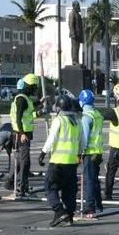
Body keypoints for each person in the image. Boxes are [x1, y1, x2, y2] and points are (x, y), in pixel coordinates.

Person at [40, 94, 81, 227]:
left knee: (50, 187)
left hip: (58, 161)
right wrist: (79, 155)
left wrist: (43, 152)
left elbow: (51, 138)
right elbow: (82, 141)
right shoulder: (77, 121)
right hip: (72, 162)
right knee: (69, 190)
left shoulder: (59, 120)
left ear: (59, 108)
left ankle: (59, 211)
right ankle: (69, 215)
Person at [4, 74, 39, 197]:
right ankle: (21, 186)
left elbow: (28, 115)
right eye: (34, 86)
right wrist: (22, 133)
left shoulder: (25, 98)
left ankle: (11, 181)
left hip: (25, 133)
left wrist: (39, 107)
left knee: (20, 161)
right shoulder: (21, 99)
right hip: (21, 134)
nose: (35, 89)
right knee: (24, 161)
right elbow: (18, 118)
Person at [78, 89, 105, 218]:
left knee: (89, 180)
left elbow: (84, 137)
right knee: (95, 180)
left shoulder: (86, 117)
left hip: (90, 152)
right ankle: (99, 204)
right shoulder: (97, 114)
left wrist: (80, 152)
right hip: (98, 152)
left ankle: (90, 206)